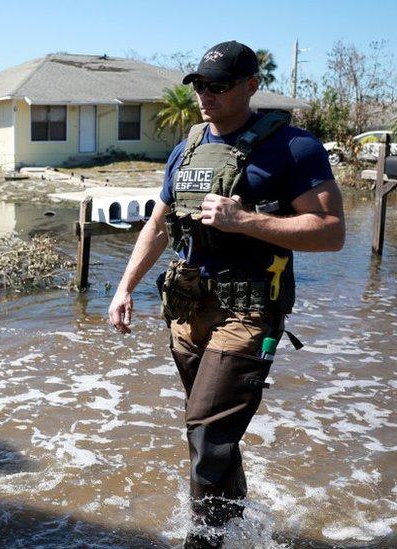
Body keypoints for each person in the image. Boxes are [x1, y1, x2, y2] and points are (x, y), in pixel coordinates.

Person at [107, 41, 344, 548]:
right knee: (209, 435)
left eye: (219, 86)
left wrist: (246, 220)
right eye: (200, 86)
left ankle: (205, 541)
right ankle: (240, 528)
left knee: (208, 431)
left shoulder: (294, 147)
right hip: (188, 309)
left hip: (251, 310)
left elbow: (330, 232)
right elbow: (158, 224)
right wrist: (124, 288)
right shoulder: (187, 147)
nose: (206, 96)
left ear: (251, 86)